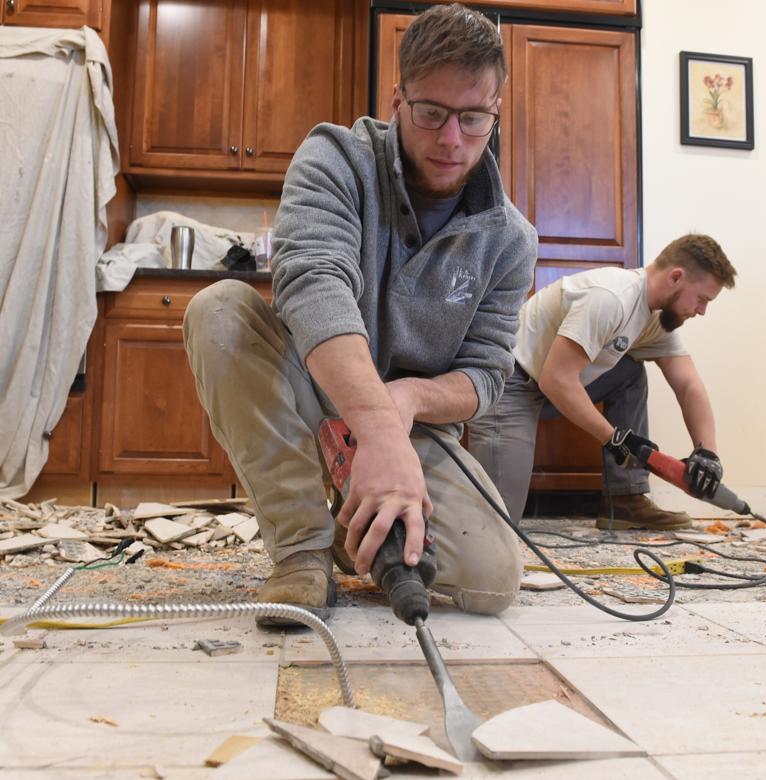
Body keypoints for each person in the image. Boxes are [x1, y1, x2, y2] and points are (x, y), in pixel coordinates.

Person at [182, 3, 538, 625]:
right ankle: (302, 548)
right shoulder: (336, 159)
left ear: (496, 113)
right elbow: (312, 284)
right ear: (397, 98)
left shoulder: (511, 239)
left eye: (474, 118)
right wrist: (375, 424)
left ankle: (359, 533)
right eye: (430, 114)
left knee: (491, 581)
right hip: (314, 389)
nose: (451, 139)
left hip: (414, 430)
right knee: (219, 311)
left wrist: (406, 405)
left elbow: (485, 374)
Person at [467, 234, 737, 531]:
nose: (702, 310)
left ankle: (626, 500)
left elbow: (688, 385)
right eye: (702, 299)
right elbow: (556, 380)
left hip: (548, 386)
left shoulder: (657, 319)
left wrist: (708, 453)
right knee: (495, 530)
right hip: (509, 384)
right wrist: (615, 438)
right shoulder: (612, 298)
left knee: (629, 372)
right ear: (676, 277)